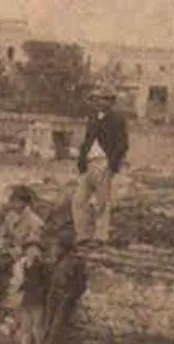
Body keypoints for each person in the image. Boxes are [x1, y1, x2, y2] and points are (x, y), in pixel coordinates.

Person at [72, 85, 129, 249]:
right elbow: (87, 140)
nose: (99, 102)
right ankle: (82, 235)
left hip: (104, 162)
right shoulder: (92, 118)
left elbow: (122, 145)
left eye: (104, 98)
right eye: (97, 99)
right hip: (89, 163)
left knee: (102, 202)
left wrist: (112, 167)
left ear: (111, 102)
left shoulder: (118, 119)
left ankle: (100, 236)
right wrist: (81, 161)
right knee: (78, 200)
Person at [0, 186, 44, 312]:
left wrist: (14, 251)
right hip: (7, 250)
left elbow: (33, 243)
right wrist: (0, 244)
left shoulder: (34, 221)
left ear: (25, 203)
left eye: (16, 201)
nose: (13, 204)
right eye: (12, 201)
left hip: (20, 254)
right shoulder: (11, 216)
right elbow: (4, 233)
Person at [38, 231, 88, 344]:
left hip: (64, 299)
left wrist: (70, 297)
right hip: (54, 297)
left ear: (63, 248)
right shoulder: (58, 262)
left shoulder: (74, 263)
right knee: (49, 325)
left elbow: (80, 284)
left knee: (57, 327)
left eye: (56, 247)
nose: (53, 250)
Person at [14, 241, 50, 344]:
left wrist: (41, 292)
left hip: (37, 299)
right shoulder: (24, 265)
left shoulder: (42, 266)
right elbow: (21, 281)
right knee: (26, 327)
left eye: (34, 250)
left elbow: (45, 283)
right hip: (27, 299)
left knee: (37, 327)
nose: (31, 252)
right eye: (29, 250)